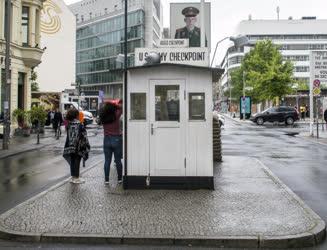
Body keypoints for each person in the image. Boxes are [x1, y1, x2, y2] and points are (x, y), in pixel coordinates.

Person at [63, 108, 90, 184]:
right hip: (78, 146)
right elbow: (84, 135)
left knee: (72, 160)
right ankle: (76, 178)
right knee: (77, 160)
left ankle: (72, 177)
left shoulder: (68, 124)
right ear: (76, 115)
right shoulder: (80, 124)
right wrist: (86, 145)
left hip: (69, 145)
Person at [99, 100, 123, 185]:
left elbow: (102, 109)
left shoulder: (103, 116)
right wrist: (115, 104)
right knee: (118, 161)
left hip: (106, 140)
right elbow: (121, 107)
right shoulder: (116, 115)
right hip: (116, 139)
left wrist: (107, 105)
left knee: (107, 161)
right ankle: (120, 179)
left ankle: (106, 180)